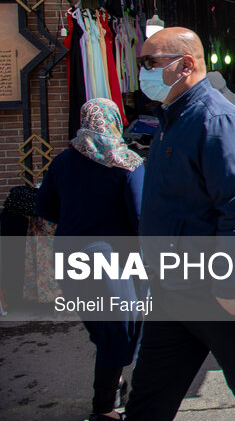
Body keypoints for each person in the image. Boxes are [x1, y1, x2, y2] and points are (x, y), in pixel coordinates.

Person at [124, 27, 235, 421]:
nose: (143, 71)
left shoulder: (214, 120)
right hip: (171, 288)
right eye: (141, 62)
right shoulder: (172, 116)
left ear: (186, 64)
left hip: (212, 291)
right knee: (149, 393)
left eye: (151, 62)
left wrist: (229, 284)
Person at [35, 98, 144, 421]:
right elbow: (140, 216)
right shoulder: (127, 162)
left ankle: (112, 384)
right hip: (112, 263)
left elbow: (44, 207)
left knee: (101, 328)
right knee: (120, 332)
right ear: (112, 121)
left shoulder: (63, 161)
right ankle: (105, 408)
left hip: (68, 257)